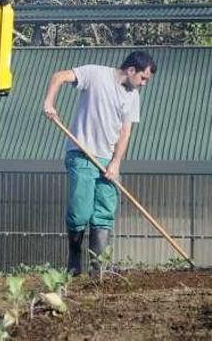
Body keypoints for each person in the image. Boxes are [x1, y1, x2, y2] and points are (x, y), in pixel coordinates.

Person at [42, 50, 156, 278]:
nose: (143, 84)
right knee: (80, 211)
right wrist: (49, 102)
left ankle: (98, 270)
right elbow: (59, 76)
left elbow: (125, 132)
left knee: (104, 212)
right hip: (81, 153)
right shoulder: (95, 74)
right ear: (131, 70)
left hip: (108, 160)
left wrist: (115, 163)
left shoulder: (133, 96)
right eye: (143, 78)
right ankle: (74, 261)